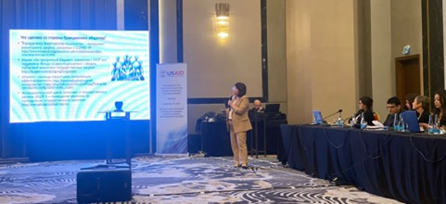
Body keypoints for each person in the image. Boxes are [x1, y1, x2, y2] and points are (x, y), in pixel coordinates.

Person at [226, 82, 252, 168]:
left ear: (239, 90)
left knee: (241, 143)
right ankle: (236, 161)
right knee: (234, 144)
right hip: (231, 123)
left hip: (240, 123)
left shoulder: (244, 98)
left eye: (234, 88)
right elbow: (231, 109)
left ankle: (243, 161)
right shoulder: (234, 98)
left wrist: (231, 105)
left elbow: (240, 110)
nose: (233, 89)